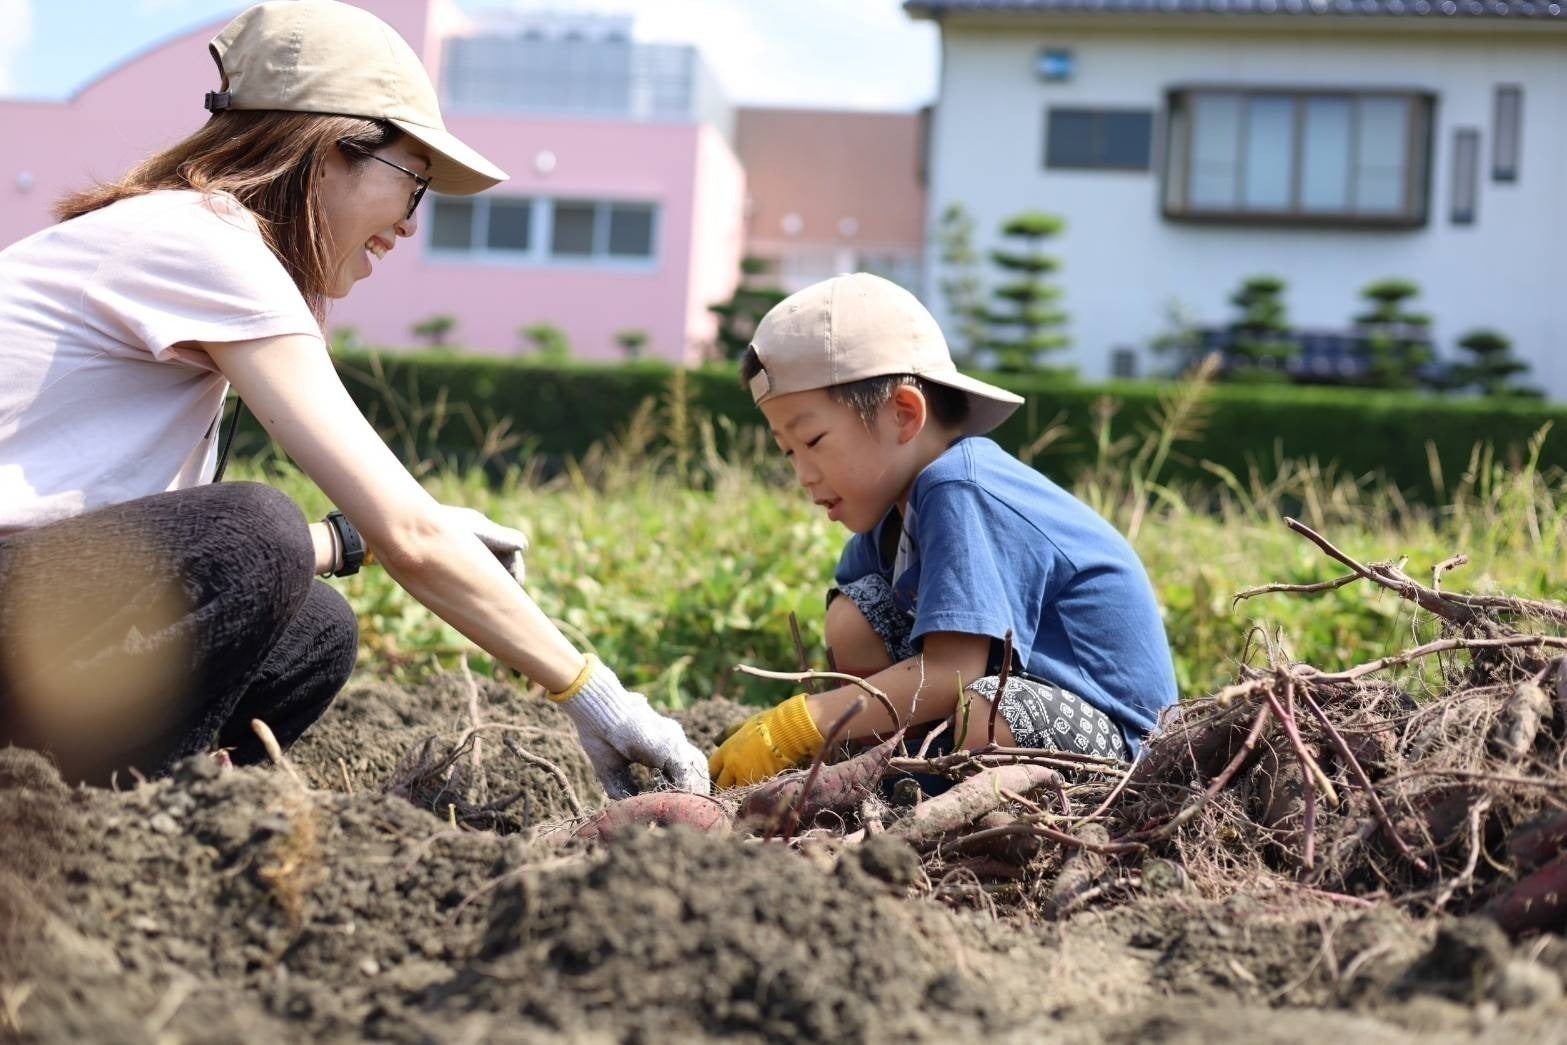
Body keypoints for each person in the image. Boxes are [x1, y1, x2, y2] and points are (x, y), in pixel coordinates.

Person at [0, 0, 708, 796]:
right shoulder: (203, 241)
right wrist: (599, 698)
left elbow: (145, 550)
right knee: (256, 528)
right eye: (414, 182)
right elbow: (403, 532)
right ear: (328, 149)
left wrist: (365, 536)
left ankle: (91, 800)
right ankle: (113, 807)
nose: (409, 224)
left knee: (313, 630)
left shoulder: (191, 241)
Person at [708, 273, 1178, 789]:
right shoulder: (890, 514)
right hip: (999, 717)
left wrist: (801, 723)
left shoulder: (960, 486)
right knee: (853, 618)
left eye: (814, 440)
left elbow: (955, 669)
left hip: (1121, 753)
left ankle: (929, 799)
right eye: (788, 452)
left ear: (904, 414)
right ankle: (895, 783)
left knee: (987, 706)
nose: (804, 474)